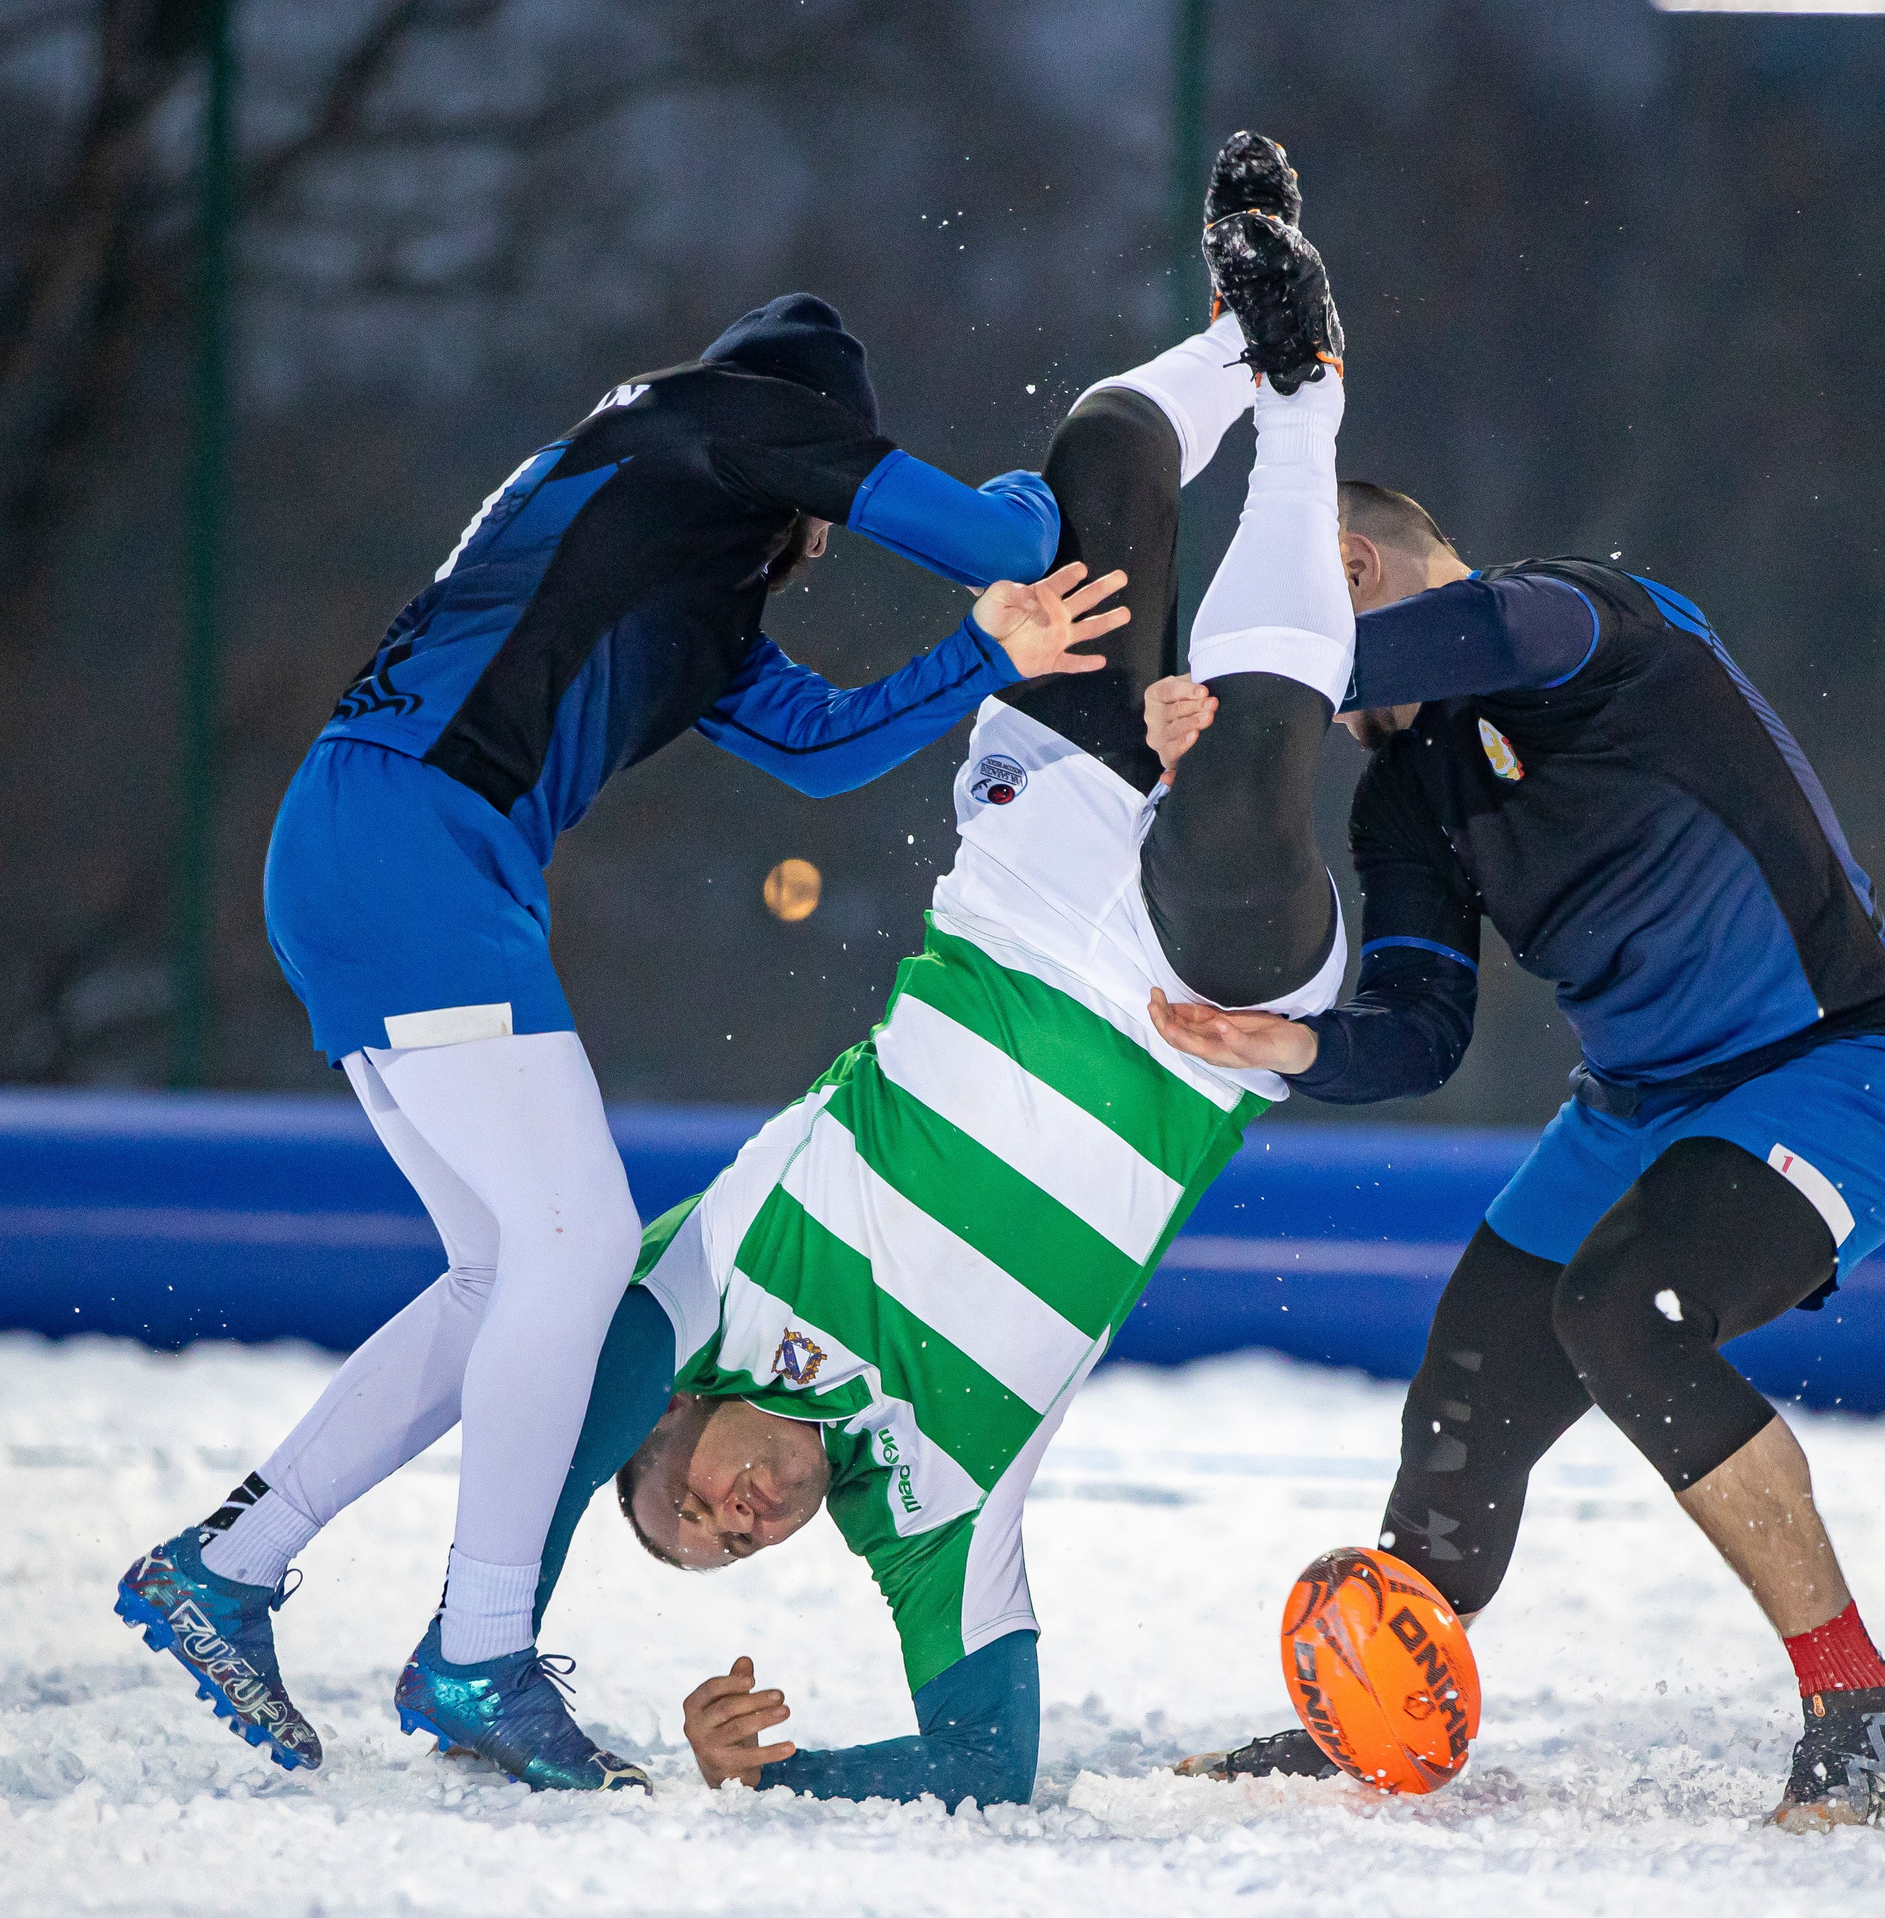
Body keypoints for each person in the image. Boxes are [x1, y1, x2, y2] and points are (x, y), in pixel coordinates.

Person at [116, 292, 1127, 1788]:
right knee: (581, 1248)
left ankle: (235, 1562)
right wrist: (1060, 493)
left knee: (505, 1269)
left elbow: (825, 746)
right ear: (810, 443)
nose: (827, 536)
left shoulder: (692, 568)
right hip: (415, 847)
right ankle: (476, 1649)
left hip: (371, 841)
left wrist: (984, 655)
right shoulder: (711, 418)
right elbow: (991, 537)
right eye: (830, 500)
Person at [454, 132, 1356, 1806]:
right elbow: (986, 1759)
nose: (736, 1523)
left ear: (680, 1413)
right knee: (1241, 792)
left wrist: (483, 1646)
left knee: (1097, 471)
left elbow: (561, 1438)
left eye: (692, 1503)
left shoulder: (705, 1281)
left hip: (1017, 902)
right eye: (732, 1555)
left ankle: (1256, 335)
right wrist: (761, 1783)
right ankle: (1307, 417)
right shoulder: (938, 1514)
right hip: (1197, 1025)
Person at [1149, 484, 1885, 1830]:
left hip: (1830, 1070)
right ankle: (1373, 1716)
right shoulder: (1408, 792)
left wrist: (1238, 689)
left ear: (1355, 565)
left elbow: (1478, 635)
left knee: (1629, 1312)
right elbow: (1419, 1031)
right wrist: (1289, 1048)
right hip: (1633, 1106)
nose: (1338, 725)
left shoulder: (1591, 623)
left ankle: (1861, 1697)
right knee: (1468, 1381)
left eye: (1310, 634)